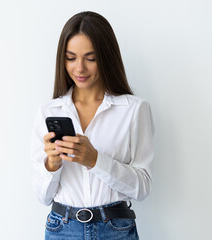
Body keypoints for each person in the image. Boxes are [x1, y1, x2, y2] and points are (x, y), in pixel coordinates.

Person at [30, 11, 154, 239]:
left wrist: (95, 160)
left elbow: (142, 188)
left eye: (90, 58)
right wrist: (52, 164)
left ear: (106, 57)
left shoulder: (134, 110)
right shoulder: (48, 112)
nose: (79, 68)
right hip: (62, 229)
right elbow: (42, 196)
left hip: (115, 229)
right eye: (70, 58)